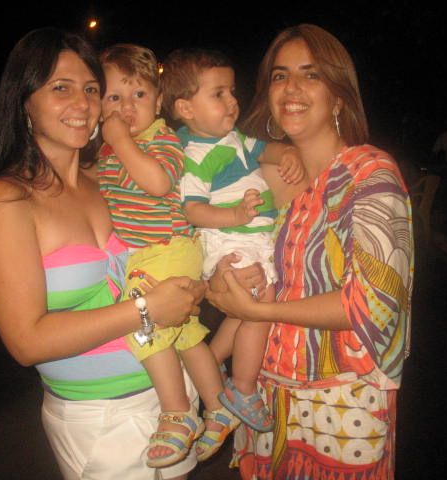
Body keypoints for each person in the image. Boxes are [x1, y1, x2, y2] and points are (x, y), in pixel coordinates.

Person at [0, 28, 205, 480]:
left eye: (92, 89)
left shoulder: (111, 180)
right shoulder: (7, 200)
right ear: (24, 101)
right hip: (99, 421)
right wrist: (146, 309)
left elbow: (175, 235)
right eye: (61, 88)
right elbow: (26, 342)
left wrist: (203, 284)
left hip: (172, 399)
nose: (82, 103)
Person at [206, 24, 414, 480]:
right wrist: (219, 279)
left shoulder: (370, 175)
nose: (292, 88)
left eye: (311, 74)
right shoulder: (260, 179)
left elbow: (373, 303)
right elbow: (218, 249)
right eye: (280, 76)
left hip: (342, 401)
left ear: (339, 96)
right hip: (266, 396)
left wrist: (259, 311)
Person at [160, 48, 305, 459]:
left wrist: (287, 153)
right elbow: (192, 209)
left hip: (247, 236)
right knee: (260, 304)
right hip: (230, 237)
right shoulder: (196, 154)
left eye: (231, 91)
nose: (232, 101)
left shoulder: (232, 139)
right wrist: (235, 214)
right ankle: (242, 388)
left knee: (243, 314)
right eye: (218, 94)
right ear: (186, 108)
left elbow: (264, 149)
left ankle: (208, 371)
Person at [95, 43, 234, 468]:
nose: (126, 107)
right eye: (114, 97)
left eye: (139, 94)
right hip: (155, 251)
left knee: (143, 325)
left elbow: (157, 184)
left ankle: (177, 413)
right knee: (186, 333)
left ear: (158, 102)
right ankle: (219, 405)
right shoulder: (109, 151)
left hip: (167, 247)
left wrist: (119, 139)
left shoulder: (162, 140)